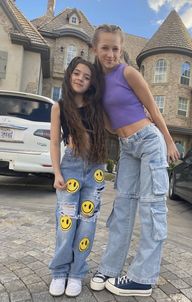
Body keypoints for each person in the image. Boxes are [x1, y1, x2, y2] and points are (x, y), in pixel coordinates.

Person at [90, 24, 180, 297]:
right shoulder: (97, 83)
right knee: (122, 209)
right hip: (127, 147)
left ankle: (142, 278)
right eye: (105, 48)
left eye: (115, 48)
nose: (110, 54)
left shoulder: (128, 72)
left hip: (149, 141)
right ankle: (110, 268)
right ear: (95, 49)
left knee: (153, 208)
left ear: (121, 49)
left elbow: (153, 109)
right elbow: (106, 121)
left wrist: (169, 140)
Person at [49, 56, 106, 297]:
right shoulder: (59, 106)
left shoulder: (97, 106)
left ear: (92, 82)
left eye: (86, 76)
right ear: (69, 73)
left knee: (86, 225)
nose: (80, 79)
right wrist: (56, 173)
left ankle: (76, 273)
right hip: (70, 169)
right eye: (77, 73)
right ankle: (60, 272)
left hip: (95, 169)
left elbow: (113, 127)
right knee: (66, 225)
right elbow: (53, 143)